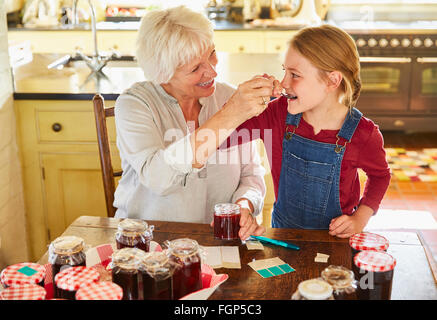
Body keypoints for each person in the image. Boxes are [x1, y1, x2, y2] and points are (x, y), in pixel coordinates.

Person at [113, 6, 275, 240]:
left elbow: (251, 175)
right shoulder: (135, 105)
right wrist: (230, 115)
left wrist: (244, 204)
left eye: (211, 53)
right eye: (195, 68)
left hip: (220, 239)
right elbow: (159, 179)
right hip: (149, 243)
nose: (212, 72)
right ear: (163, 73)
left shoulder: (228, 97)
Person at [221, 24, 391, 238]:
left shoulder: (363, 134)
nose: (283, 83)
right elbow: (219, 141)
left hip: (335, 243)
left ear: (332, 80)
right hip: (283, 235)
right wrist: (242, 104)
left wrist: (361, 218)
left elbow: (380, 176)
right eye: (285, 71)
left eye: (295, 75)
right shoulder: (276, 113)